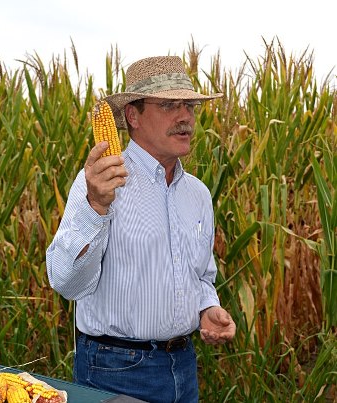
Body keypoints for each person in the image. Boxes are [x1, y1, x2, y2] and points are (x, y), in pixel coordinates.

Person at [46, 56, 236, 403]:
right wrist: (96, 207)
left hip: (184, 365)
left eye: (189, 106)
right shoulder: (99, 184)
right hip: (116, 370)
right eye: (168, 105)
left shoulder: (198, 194)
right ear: (133, 116)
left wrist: (207, 309)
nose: (185, 118)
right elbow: (65, 282)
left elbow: (201, 276)